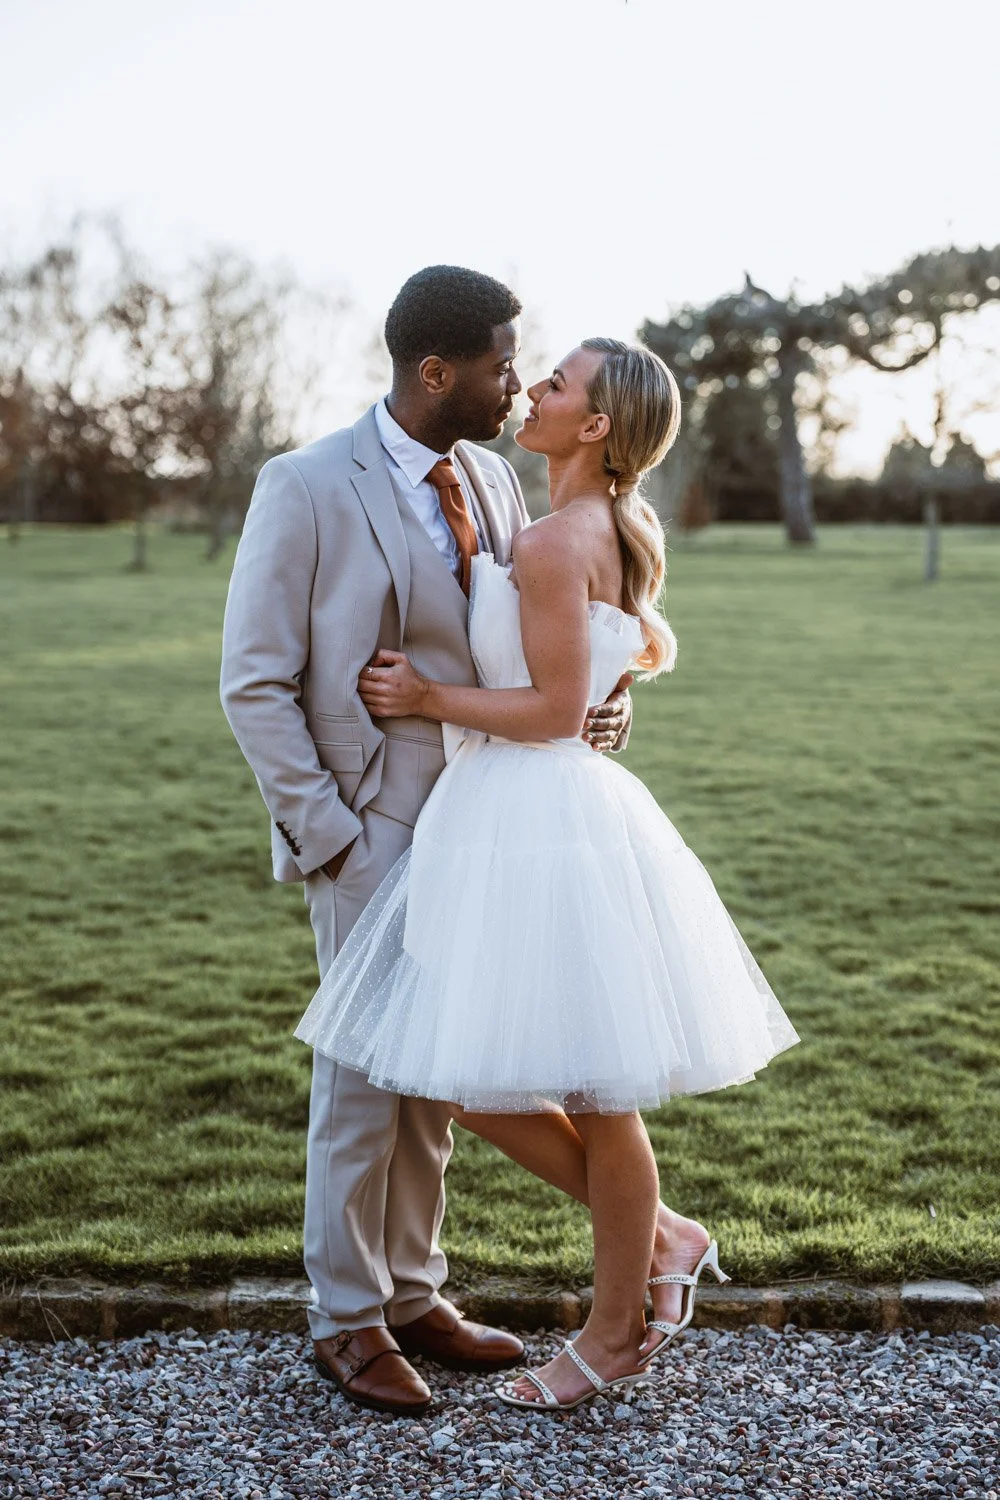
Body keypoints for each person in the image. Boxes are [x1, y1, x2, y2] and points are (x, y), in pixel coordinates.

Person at [294, 337, 801, 1412]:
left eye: (558, 383)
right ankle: (659, 1236)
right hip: (503, 812)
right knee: (455, 1072)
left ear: (596, 426)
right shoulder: (561, 524)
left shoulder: (561, 538)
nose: (536, 389)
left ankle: (615, 1331)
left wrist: (429, 698)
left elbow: (555, 710)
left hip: (532, 811)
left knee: (580, 1088)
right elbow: (583, 679)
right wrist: (587, 699)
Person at [220, 268, 634, 1418]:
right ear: (436, 372)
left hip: (486, 820)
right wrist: (333, 839)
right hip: (371, 827)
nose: (518, 383)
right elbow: (254, 685)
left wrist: (601, 700)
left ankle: (412, 1292)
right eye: (506, 365)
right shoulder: (305, 486)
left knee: (439, 1074)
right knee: (362, 1082)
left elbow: (546, 644)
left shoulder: (497, 480)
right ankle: (345, 1318)